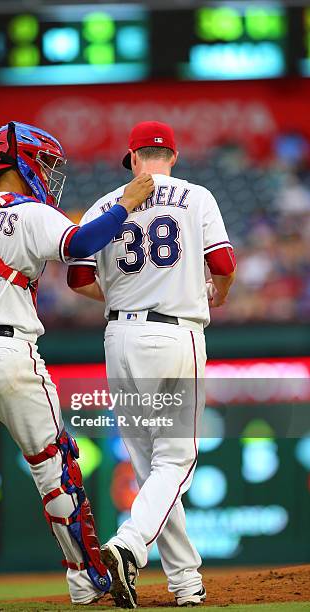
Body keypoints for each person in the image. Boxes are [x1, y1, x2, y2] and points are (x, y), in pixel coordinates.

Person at [0, 121, 154, 612]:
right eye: (43, 162)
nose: (48, 172)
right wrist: (127, 204)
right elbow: (81, 245)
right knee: (55, 468)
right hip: (8, 351)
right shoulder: (31, 212)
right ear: (21, 163)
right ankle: (87, 580)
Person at [68, 121, 236, 608]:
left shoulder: (105, 205)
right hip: (174, 332)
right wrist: (215, 295)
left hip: (119, 336)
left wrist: (120, 297)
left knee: (151, 467)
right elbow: (223, 265)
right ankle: (127, 547)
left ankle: (185, 581)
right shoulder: (196, 195)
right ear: (174, 157)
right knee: (176, 461)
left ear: (133, 157)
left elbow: (78, 277)